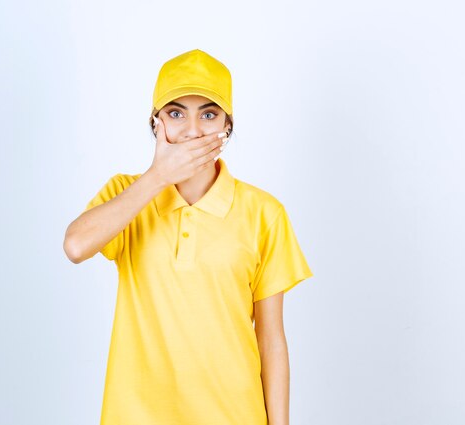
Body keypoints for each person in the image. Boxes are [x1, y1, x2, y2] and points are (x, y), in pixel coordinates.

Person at [63, 49, 313, 425]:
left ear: (227, 125)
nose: (193, 130)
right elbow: (76, 246)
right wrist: (158, 177)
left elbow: (271, 339)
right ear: (156, 123)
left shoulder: (264, 213)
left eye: (208, 114)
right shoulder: (127, 194)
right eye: (176, 113)